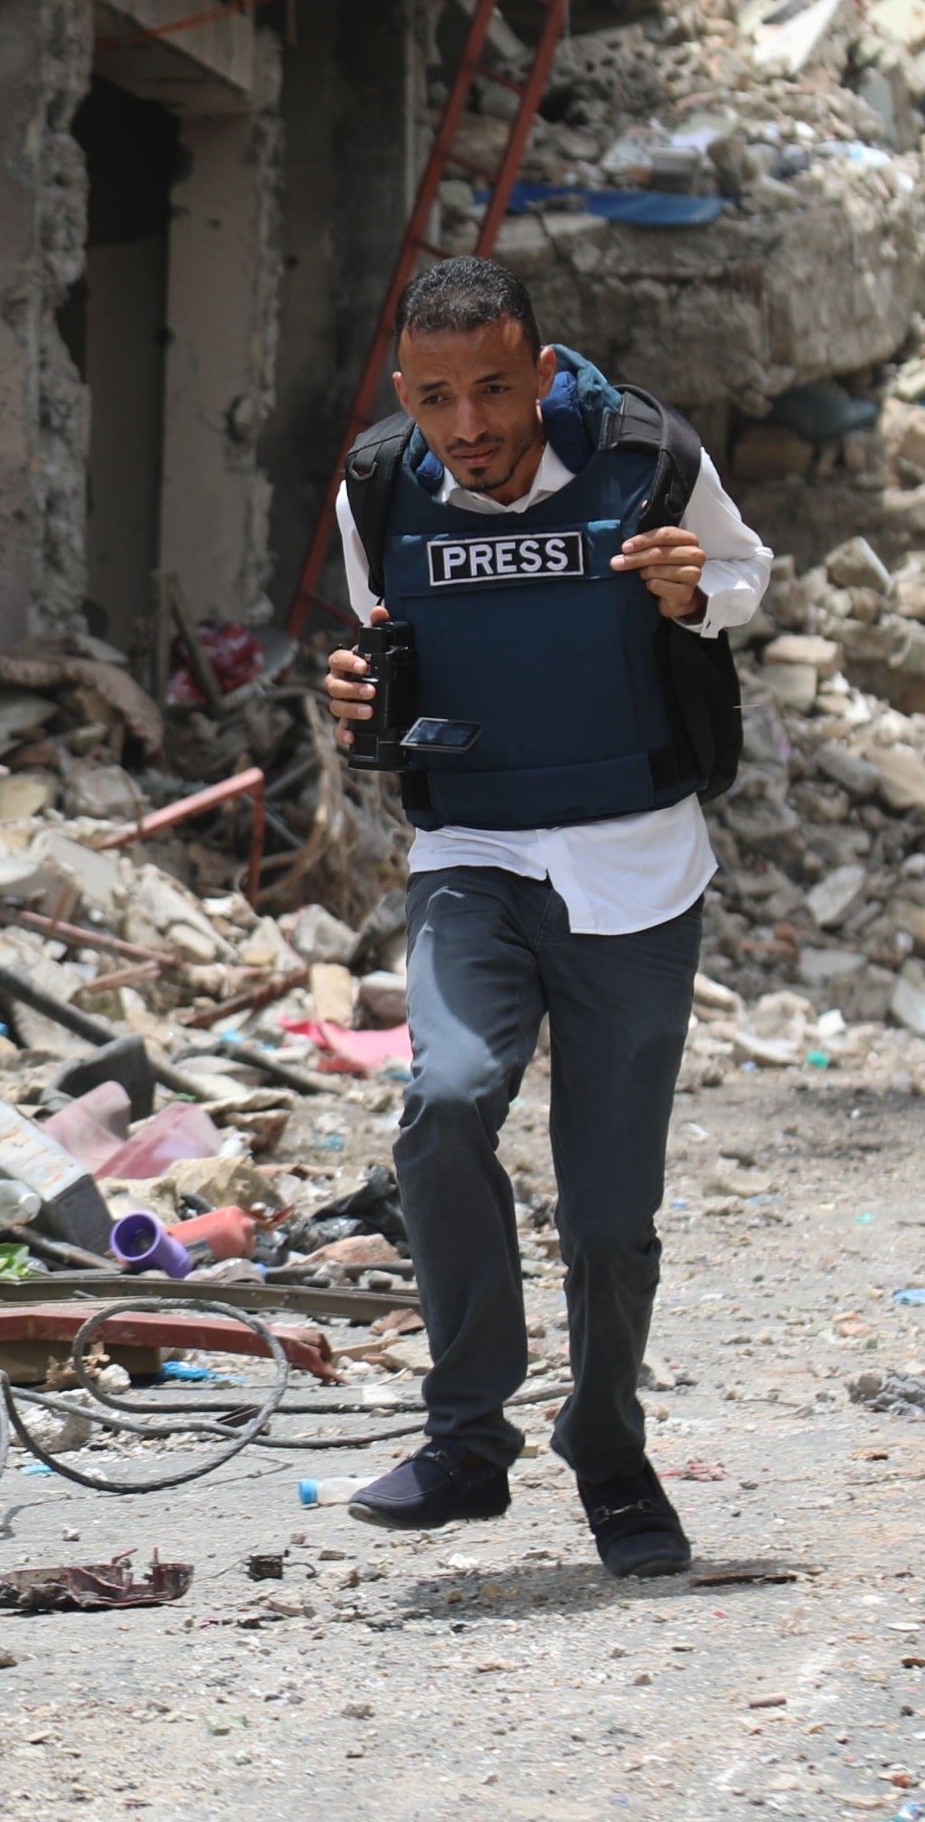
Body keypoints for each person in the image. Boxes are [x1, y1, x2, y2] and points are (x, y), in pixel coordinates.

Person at [319, 255, 769, 1574]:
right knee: (446, 1097)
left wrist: (695, 592)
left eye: (497, 390)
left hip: (636, 868)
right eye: (440, 395)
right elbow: (387, 655)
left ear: (543, 368)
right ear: (406, 390)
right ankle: (466, 1440)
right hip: (474, 849)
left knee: (608, 1210)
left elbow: (745, 575)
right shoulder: (378, 485)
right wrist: (362, 708)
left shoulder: (646, 453)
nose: (471, 426)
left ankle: (611, 1449)